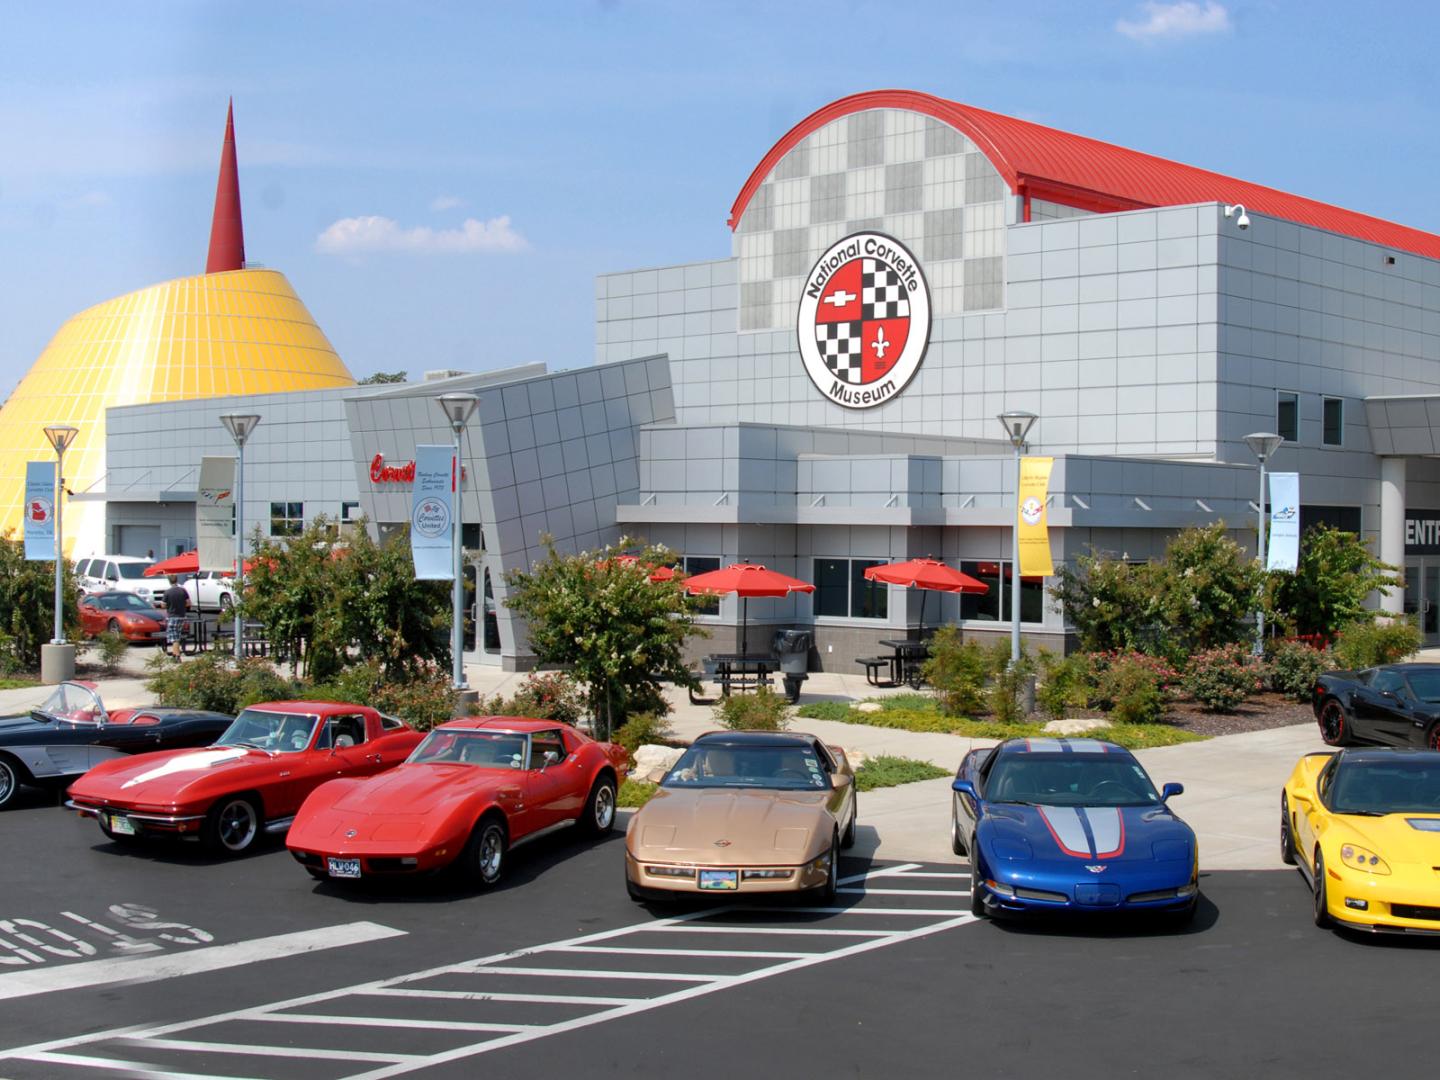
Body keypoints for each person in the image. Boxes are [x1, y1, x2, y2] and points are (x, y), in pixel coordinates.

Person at [162, 575, 189, 660]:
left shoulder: (167, 592)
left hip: (172, 616)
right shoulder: (183, 591)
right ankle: (174, 655)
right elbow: (188, 603)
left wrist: (169, 606)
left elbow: (163, 605)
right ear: (177, 580)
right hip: (181, 616)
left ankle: (177, 656)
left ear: (169, 581)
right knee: (177, 635)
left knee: (174, 638)